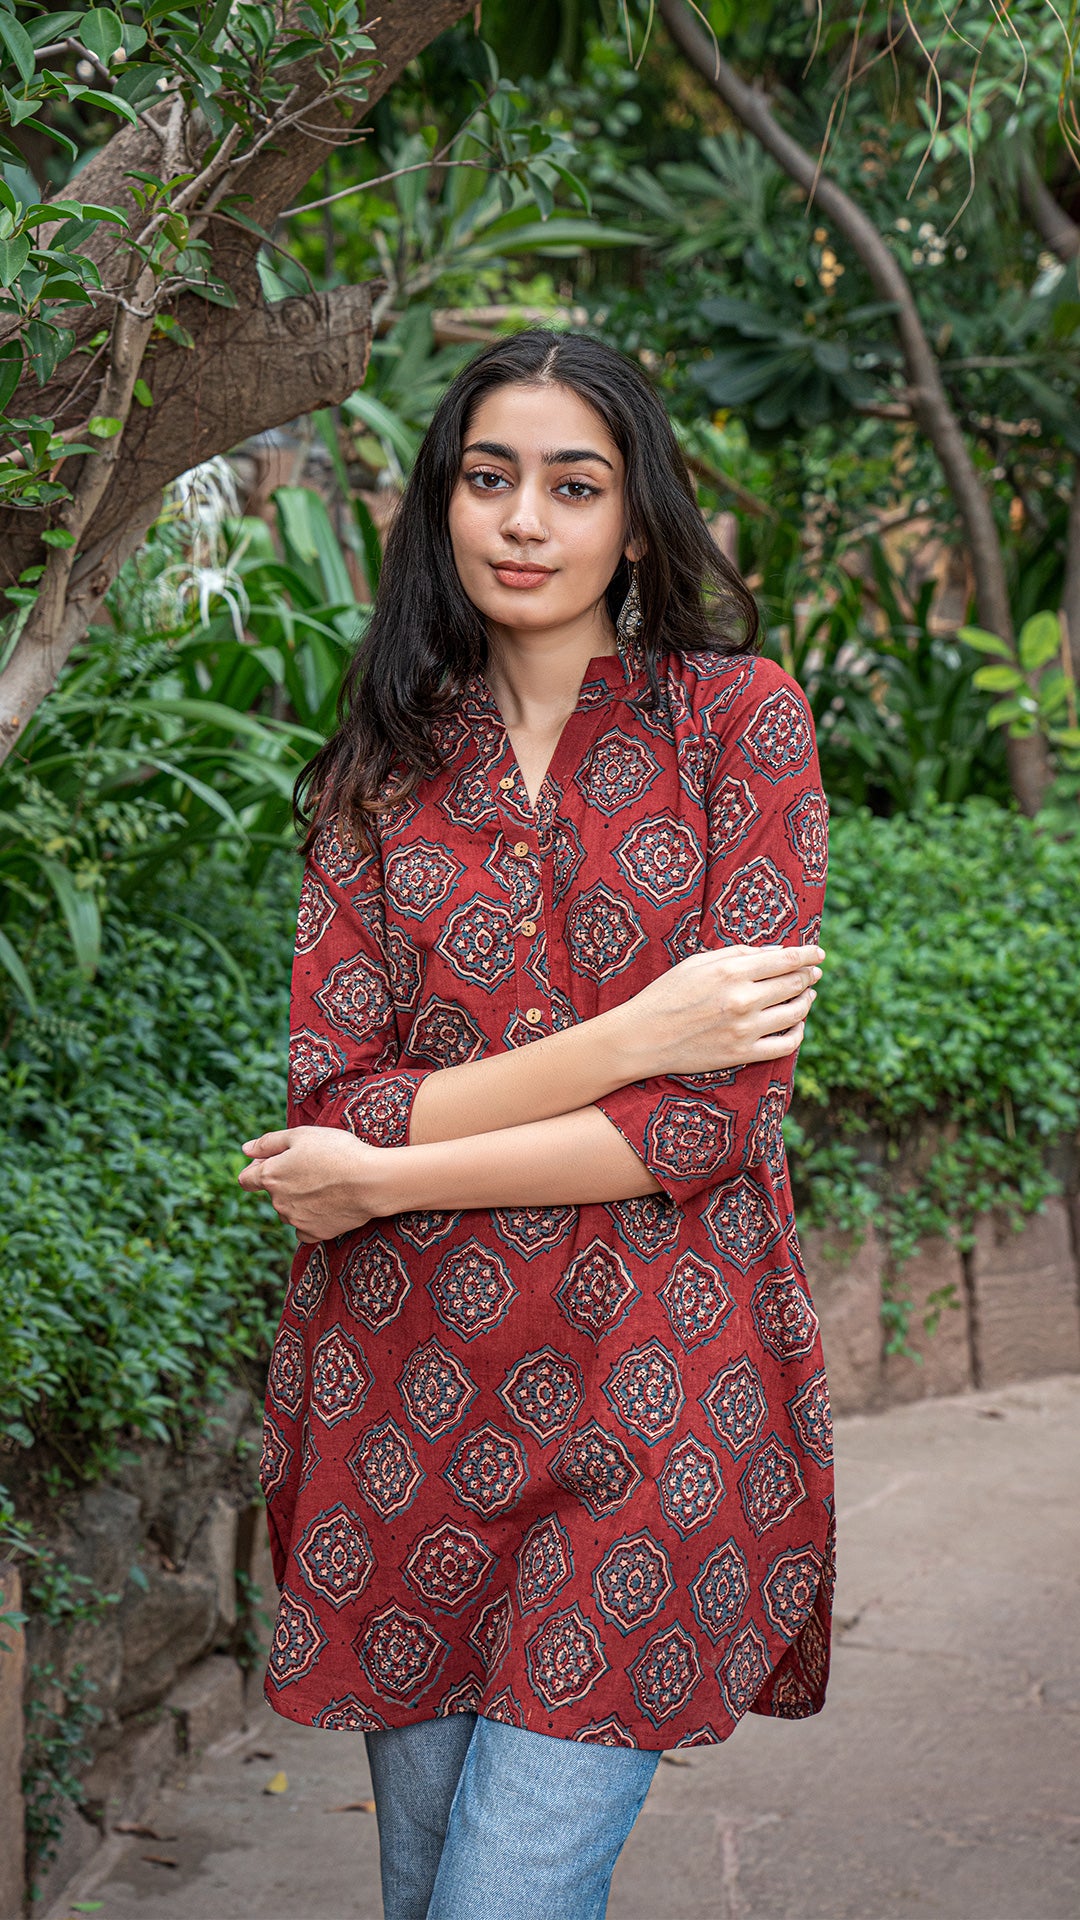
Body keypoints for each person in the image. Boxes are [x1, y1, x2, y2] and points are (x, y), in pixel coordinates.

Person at [239, 328, 833, 1920]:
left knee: (502, 1897)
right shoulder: (377, 772)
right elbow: (333, 1095)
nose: (525, 521)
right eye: (490, 479)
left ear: (634, 521)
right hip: (405, 1403)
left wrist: (383, 1175)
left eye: (575, 486)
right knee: (426, 1888)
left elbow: (703, 1126)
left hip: (658, 1393)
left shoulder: (739, 725)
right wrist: (633, 1035)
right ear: (442, 503)